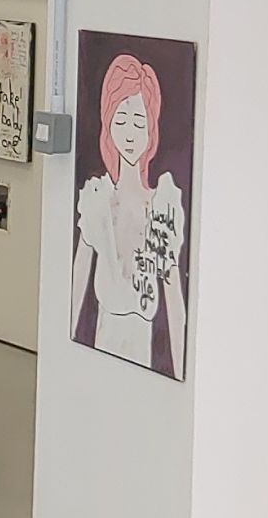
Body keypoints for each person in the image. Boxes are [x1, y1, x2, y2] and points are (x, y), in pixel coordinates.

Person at [72, 51, 186, 376]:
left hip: (143, 360)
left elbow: (175, 306)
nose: (130, 133)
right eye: (121, 121)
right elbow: (77, 284)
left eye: (139, 122)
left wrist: (180, 377)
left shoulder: (162, 206)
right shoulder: (97, 200)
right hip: (100, 355)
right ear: (108, 125)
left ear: (151, 130)